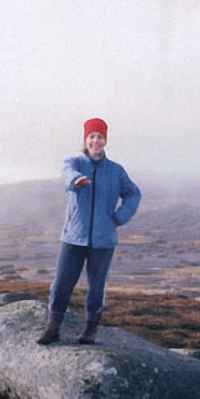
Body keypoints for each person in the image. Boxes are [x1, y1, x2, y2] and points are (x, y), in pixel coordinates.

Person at [38, 118, 141, 345]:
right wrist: (75, 180)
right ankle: (53, 327)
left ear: (105, 141)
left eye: (100, 137)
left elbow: (134, 194)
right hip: (74, 237)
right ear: (86, 140)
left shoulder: (115, 171)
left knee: (96, 287)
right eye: (92, 136)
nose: (96, 141)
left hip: (103, 240)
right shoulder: (74, 162)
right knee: (62, 283)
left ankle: (91, 329)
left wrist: (118, 218)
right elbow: (66, 174)